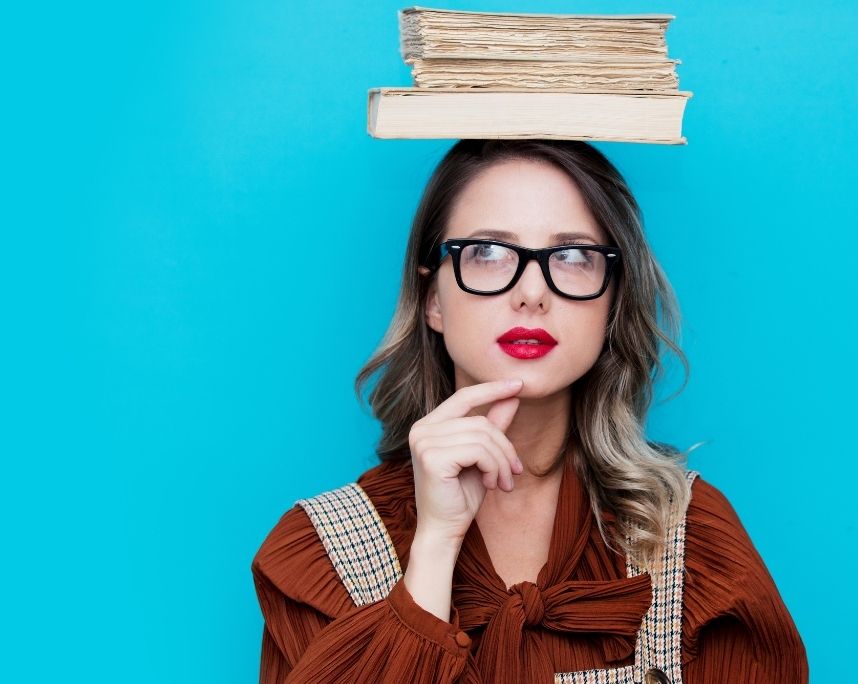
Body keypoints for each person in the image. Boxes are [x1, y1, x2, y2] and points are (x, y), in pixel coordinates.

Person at [252, 139, 808, 683]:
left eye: (573, 256)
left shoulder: (692, 541)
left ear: (612, 298)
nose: (532, 293)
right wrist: (435, 547)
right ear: (433, 299)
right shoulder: (323, 553)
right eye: (489, 253)